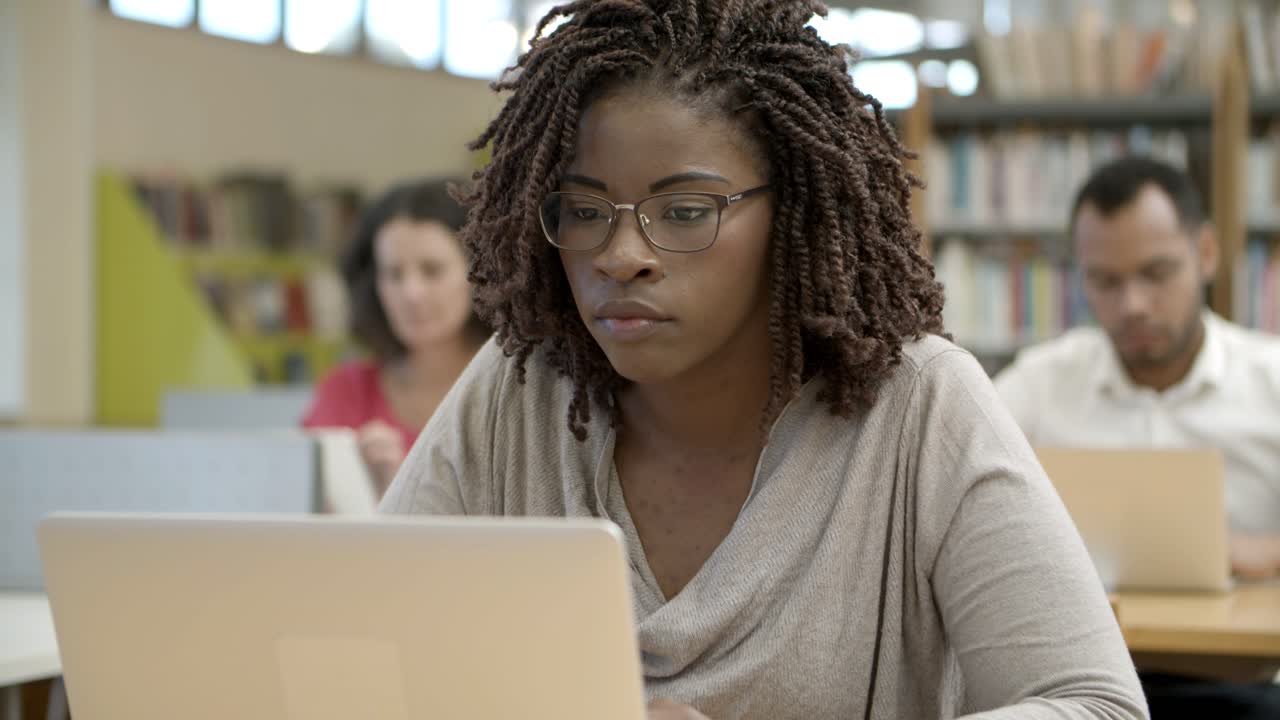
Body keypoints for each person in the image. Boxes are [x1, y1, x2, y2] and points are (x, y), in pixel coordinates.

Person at [381, 2, 1148, 718]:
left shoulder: (921, 405)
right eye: (584, 212)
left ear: (794, 217)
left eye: (685, 211)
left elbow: (1094, 703)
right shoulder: (515, 389)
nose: (620, 256)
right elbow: (364, 647)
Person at [994, 156, 1280, 719]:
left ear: (1205, 254)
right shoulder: (1039, 384)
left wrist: (1267, 552)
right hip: (1073, 688)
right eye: (1105, 281)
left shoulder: (1271, 381)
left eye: (1156, 273)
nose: (1133, 306)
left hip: (1240, 687)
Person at [303, 178, 489, 495]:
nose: (411, 293)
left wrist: (400, 497)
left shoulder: (520, 392)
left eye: (432, 270)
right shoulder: (346, 392)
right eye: (393, 274)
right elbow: (304, 524)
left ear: (482, 274)